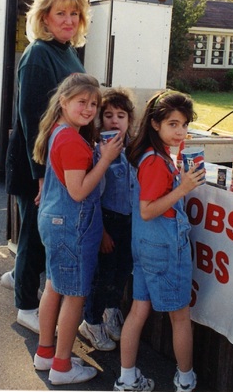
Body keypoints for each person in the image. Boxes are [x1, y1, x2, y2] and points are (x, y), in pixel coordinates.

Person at [3, 0, 91, 334]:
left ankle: (17, 277)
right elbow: (31, 118)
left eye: (74, 14)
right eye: (61, 14)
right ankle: (26, 304)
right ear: (44, 18)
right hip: (36, 162)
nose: (69, 20)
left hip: (57, 161)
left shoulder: (68, 51)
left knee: (37, 234)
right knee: (35, 238)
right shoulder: (38, 53)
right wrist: (41, 174)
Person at [32, 73, 123, 385]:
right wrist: (106, 158)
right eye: (82, 102)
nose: (89, 109)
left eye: (93, 104)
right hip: (71, 227)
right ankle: (61, 366)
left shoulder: (59, 131)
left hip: (55, 222)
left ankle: (46, 353)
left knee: (55, 286)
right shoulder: (71, 139)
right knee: (74, 296)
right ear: (64, 101)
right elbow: (79, 191)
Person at [116, 90, 204, 392]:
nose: (181, 132)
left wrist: (178, 179)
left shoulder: (152, 154)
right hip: (164, 247)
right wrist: (184, 188)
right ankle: (185, 379)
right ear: (155, 124)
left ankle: (127, 378)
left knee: (139, 310)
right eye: (173, 124)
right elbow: (148, 209)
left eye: (184, 124)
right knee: (180, 318)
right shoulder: (155, 161)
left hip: (144, 246)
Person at [78, 88, 137, 352]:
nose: (115, 121)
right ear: (99, 120)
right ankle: (90, 321)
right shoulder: (97, 152)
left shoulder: (133, 150)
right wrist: (101, 232)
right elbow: (92, 195)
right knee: (102, 275)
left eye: (121, 116)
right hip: (106, 221)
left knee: (123, 270)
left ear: (129, 121)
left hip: (129, 221)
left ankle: (110, 312)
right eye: (109, 115)